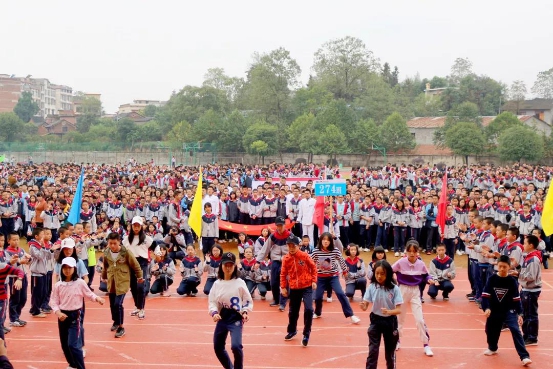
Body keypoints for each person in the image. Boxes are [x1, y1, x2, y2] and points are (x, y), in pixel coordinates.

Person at [50, 257, 105, 369]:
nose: (67, 270)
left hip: (75, 316)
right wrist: (58, 312)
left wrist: (97, 298)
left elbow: (89, 294)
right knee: (65, 344)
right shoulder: (58, 285)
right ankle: (72, 364)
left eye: (70, 268)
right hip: (62, 316)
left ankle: (80, 367)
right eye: (65, 268)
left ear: (74, 269)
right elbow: (53, 301)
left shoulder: (80, 283)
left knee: (73, 345)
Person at [481, 255, 532, 366]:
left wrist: (520, 313)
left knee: (515, 330)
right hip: (494, 310)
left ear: (509, 267)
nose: (502, 269)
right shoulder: (492, 279)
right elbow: (485, 295)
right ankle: (492, 347)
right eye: (500, 266)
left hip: (509, 310)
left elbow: (516, 299)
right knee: (490, 330)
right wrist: (487, 308)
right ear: (497, 266)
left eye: (505, 267)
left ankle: (524, 356)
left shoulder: (512, 281)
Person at [208, 252, 253, 369]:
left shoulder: (240, 283)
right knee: (218, 346)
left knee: (236, 346)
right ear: (221, 266)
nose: (228, 268)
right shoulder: (217, 284)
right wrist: (214, 312)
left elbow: (247, 300)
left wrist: (245, 311)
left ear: (234, 267)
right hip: (223, 317)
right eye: (225, 265)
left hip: (235, 317)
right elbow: (212, 301)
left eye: (231, 265)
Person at [392, 239, 434, 356]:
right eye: (409, 251)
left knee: (420, 319)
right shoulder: (401, 262)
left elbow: (426, 275)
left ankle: (426, 345)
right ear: (406, 251)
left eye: (414, 251)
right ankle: (397, 340)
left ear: (417, 252)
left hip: (415, 291)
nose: (411, 253)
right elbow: (390, 270)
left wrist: (429, 279)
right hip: (402, 290)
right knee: (399, 318)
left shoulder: (420, 264)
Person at [360, 260, 403, 369]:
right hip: (375, 321)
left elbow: (399, 310)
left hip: (390, 321)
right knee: (373, 351)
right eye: (377, 273)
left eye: (382, 274)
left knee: (390, 352)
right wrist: (363, 306)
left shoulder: (394, 288)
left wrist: (389, 312)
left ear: (388, 274)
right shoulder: (372, 287)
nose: (379, 276)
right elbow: (365, 305)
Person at [311, 232, 361, 324]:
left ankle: (351, 315)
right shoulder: (316, 251)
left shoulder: (335, 250)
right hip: (320, 277)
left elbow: (341, 260)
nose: (325, 242)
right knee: (317, 297)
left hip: (333, 276)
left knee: (340, 293)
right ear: (320, 240)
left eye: (328, 240)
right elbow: (310, 262)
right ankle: (317, 312)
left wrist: (345, 271)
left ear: (330, 241)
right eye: (324, 240)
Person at [101, 232, 144, 338]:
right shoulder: (106, 252)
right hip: (112, 281)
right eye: (110, 243)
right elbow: (105, 266)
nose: (112, 246)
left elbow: (135, 265)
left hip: (123, 281)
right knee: (112, 304)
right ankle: (115, 321)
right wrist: (104, 276)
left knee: (118, 304)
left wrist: (139, 277)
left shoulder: (126, 252)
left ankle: (121, 327)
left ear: (119, 242)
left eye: (114, 243)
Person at [280, 234, 317, 347]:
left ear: (298, 246)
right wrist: (283, 287)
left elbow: (313, 267)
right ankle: (292, 330)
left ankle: (306, 334)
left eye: (293, 246)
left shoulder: (304, 256)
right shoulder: (286, 259)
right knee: (293, 312)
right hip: (294, 288)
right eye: (289, 246)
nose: (291, 248)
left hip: (306, 286)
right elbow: (283, 274)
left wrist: (314, 280)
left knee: (309, 310)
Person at [255, 216, 291, 311]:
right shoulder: (273, 236)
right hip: (275, 261)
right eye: (278, 225)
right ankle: (276, 299)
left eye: (281, 225)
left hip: (286, 261)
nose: (280, 227)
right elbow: (265, 249)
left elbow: (295, 248)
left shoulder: (290, 235)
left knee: (284, 282)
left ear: (284, 225)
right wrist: (258, 261)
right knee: (274, 282)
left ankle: (283, 303)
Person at [512, 234, 542, 346]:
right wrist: (518, 270)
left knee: (531, 315)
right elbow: (525, 271)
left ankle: (532, 337)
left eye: (525, 243)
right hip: (526, 289)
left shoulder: (533, 258)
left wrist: (518, 274)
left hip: (531, 290)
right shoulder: (528, 256)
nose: (523, 245)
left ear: (531, 245)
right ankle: (526, 335)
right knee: (525, 313)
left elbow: (531, 276)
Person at [122, 216, 153, 320]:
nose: (136, 228)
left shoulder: (146, 239)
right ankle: (137, 306)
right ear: (131, 226)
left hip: (142, 263)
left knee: (140, 286)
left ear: (141, 227)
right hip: (130, 263)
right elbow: (121, 250)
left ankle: (142, 309)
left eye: (138, 226)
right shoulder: (126, 239)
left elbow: (155, 246)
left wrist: (158, 253)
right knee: (133, 287)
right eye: (134, 225)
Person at [5, 232, 30, 328]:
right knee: (15, 298)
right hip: (14, 278)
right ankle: (13, 319)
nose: (16, 241)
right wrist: (20, 262)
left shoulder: (21, 250)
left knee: (23, 298)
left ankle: (17, 316)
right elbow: (8, 265)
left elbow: (27, 258)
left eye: (17, 239)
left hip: (23, 276)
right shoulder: (7, 252)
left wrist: (28, 259)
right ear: (9, 241)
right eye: (14, 240)